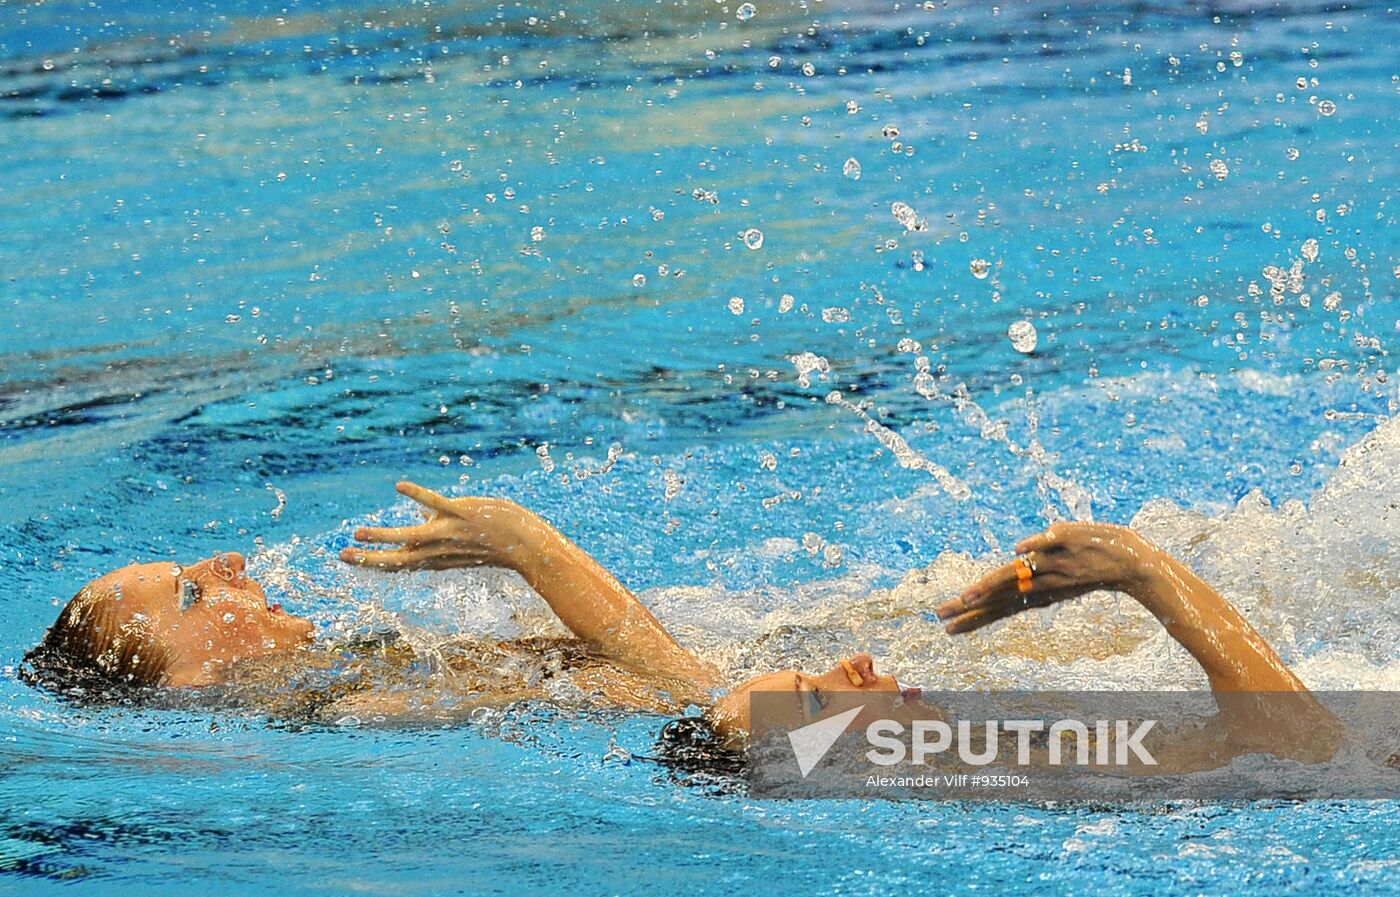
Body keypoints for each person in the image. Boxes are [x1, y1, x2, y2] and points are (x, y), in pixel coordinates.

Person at [23, 481, 1331, 761]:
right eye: (195, 593)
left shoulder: (370, 681)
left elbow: (715, 711)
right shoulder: (365, 709)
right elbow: (690, 687)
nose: (232, 557)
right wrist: (531, 545)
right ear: (196, 673)